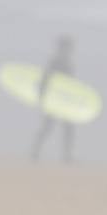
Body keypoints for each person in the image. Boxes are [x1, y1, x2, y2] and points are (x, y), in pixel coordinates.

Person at [30, 35, 76, 163]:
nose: (68, 51)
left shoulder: (69, 64)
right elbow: (45, 79)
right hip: (54, 101)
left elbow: (72, 85)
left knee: (68, 129)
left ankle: (66, 156)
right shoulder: (55, 62)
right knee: (47, 127)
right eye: (66, 47)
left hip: (65, 101)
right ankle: (35, 152)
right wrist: (42, 98)